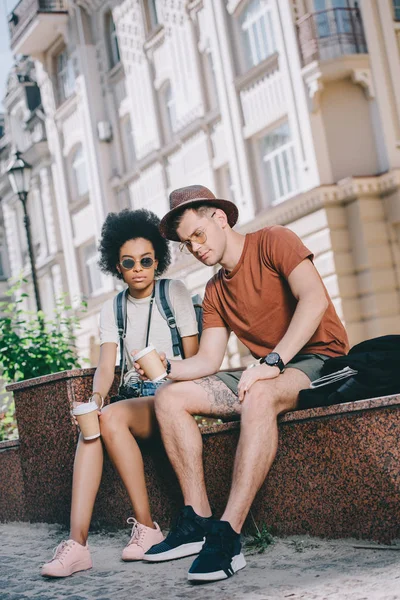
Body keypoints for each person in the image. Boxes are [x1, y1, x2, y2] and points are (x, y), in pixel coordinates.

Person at [136, 185, 349, 582]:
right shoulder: (215, 290)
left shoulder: (273, 240)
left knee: (261, 392)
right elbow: (208, 360)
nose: (195, 248)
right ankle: (198, 519)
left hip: (321, 358)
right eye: (186, 244)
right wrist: (166, 368)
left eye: (198, 234)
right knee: (169, 398)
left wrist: (272, 361)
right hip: (273, 369)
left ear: (219, 218)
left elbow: (314, 298)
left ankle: (228, 533)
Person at [41, 209, 199, 578]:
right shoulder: (113, 307)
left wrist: (167, 367)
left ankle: (146, 527)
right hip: (132, 401)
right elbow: (106, 363)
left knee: (110, 416)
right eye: (129, 263)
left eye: (147, 260)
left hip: (174, 394)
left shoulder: (173, 291)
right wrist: (96, 398)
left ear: (158, 260)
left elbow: (194, 359)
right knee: (92, 428)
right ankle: (77, 546)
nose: (139, 268)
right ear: (117, 266)